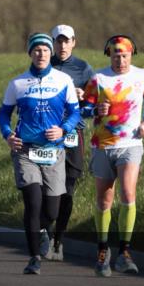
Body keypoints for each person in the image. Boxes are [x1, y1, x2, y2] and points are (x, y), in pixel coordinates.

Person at [0, 33, 82, 275]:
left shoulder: (63, 80)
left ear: (50, 53)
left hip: (54, 152)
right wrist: (7, 134)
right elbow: (4, 114)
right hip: (25, 150)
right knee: (33, 202)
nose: (41, 54)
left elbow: (75, 113)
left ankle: (41, 231)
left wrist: (63, 129)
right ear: (30, 53)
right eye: (36, 50)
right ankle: (34, 256)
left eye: (45, 49)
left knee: (51, 211)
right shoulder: (18, 83)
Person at [81, 35, 144, 276]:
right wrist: (95, 109)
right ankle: (102, 250)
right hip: (103, 145)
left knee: (128, 192)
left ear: (131, 55)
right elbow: (82, 109)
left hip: (131, 144)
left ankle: (125, 251)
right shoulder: (99, 78)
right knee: (104, 200)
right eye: (116, 55)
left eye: (124, 55)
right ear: (109, 55)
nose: (121, 59)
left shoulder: (142, 76)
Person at [48, 24, 94, 260]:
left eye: (67, 41)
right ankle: (47, 230)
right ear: (53, 43)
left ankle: (59, 240)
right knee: (49, 188)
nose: (62, 45)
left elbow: (93, 107)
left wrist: (83, 100)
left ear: (74, 42)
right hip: (47, 135)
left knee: (69, 187)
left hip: (73, 133)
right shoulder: (45, 64)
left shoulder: (84, 69)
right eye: (58, 41)